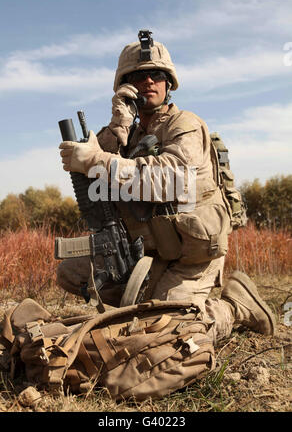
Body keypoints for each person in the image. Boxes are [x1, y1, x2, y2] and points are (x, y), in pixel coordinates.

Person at [58, 30, 275, 343]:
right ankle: (144, 307)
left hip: (189, 257)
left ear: (168, 82)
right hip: (147, 251)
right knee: (72, 272)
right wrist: (118, 126)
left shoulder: (185, 125)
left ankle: (234, 305)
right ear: (124, 84)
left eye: (157, 75)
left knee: (171, 334)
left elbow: (170, 180)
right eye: (140, 75)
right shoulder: (127, 134)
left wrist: (94, 160)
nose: (149, 82)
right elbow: (94, 186)